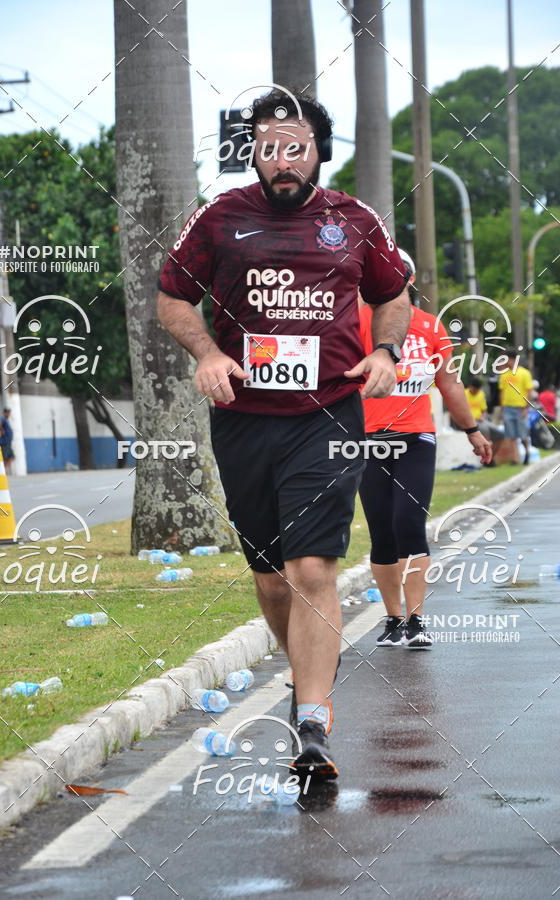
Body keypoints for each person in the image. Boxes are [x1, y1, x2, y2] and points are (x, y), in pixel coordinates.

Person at [157, 88, 411, 779]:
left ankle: (313, 722)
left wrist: (386, 352)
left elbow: (393, 293)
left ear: (318, 152)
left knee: (312, 569)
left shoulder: (355, 222)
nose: (282, 161)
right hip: (243, 421)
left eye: (295, 146)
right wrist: (208, 353)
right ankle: (307, 679)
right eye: (269, 148)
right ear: (255, 155)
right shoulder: (220, 218)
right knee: (271, 581)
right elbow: (171, 294)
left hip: (327, 415)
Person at [358, 251, 492, 649]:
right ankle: (392, 618)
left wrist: (472, 430)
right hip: (367, 440)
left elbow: (449, 384)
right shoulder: (357, 322)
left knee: (409, 523)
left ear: (410, 280)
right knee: (381, 532)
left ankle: (416, 619)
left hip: (416, 438)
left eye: (397, 274)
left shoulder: (430, 327)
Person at [498, 350, 536, 464]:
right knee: (511, 435)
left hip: (521, 408)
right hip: (507, 408)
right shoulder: (504, 374)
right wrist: (502, 408)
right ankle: (515, 459)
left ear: (512, 360)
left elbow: (530, 391)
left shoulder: (524, 373)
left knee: (523, 434)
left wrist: (526, 408)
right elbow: (502, 392)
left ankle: (527, 453)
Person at [464, 376, 504, 464]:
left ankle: (491, 458)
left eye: (477, 390)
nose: (476, 392)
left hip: (480, 420)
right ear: (470, 386)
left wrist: (483, 416)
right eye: (475, 389)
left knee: (500, 434)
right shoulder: (463, 394)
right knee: (485, 430)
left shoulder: (481, 394)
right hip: (469, 421)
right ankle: (485, 457)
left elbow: (484, 410)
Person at [0, 407, 14, 473]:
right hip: (4, 442)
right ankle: (2, 471)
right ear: (5, 413)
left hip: (8, 443)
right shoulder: (2, 418)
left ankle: (4, 469)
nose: (9, 414)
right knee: (4, 457)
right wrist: (2, 430)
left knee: (11, 457)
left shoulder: (6, 420)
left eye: (9, 413)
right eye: (8, 413)